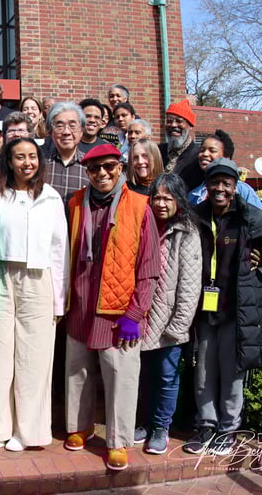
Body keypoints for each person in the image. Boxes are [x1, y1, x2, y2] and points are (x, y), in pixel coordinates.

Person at [63, 144, 159, 472]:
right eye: (94, 169)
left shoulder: (140, 205)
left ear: (120, 168)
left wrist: (136, 313)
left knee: (120, 375)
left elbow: (149, 266)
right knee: (77, 369)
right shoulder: (76, 202)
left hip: (119, 309)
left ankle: (117, 441)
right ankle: (80, 427)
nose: (101, 174)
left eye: (108, 167)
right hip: (81, 302)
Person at [0, 138, 69, 452]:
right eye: (20, 157)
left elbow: (59, 249)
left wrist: (59, 299)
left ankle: (28, 432)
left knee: (34, 358)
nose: (27, 163)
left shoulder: (50, 197)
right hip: (1, 277)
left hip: (38, 279)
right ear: (9, 161)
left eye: (32, 156)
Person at [182, 158, 262, 456]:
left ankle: (228, 429)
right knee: (203, 371)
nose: (220, 188)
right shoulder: (196, 216)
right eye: (214, 182)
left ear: (235, 187)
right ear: (207, 186)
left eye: (226, 184)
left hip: (235, 310)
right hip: (204, 309)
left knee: (232, 371)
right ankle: (206, 425)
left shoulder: (250, 218)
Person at [134, 173, 201, 455]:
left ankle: (161, 427)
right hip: (144, 318)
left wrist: (179, 325)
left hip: (169, 323)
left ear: (179, 200)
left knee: (166, 377)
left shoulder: (187, 232)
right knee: (144, 375)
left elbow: (190, 285)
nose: (161, 203)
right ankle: (145, 422)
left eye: (168, 198)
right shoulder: (145, 224)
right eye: (157, 197)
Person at [188, 130, 262, 209]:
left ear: (226, 158)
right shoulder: (194, 195)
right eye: (202, 150)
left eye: (212, 151)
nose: (205, 154)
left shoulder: (243, 191)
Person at [44, 102, 89, 205]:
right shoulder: (39, 164)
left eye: (72, 126)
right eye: (59, 126)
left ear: (81, 131)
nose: (66, 132)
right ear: (51, 132)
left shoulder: (90, 166)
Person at [158, 99, 203, 192]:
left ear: (190, 125)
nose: (173, 125)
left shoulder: (197, 157)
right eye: (169, 121)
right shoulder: (159, 151)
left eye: (179, 121)